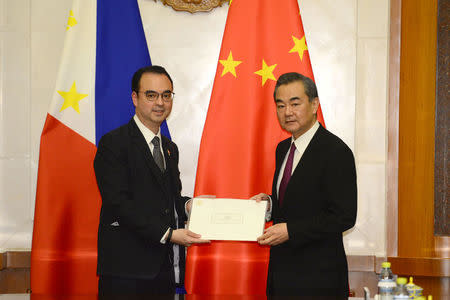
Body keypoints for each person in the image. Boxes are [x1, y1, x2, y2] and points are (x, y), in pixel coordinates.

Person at [93, 65, 209, 296]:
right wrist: (169, 234)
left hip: (162, 271)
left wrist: (189, 205)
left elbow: (169, 198)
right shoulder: (114, 143)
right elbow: (118, 203)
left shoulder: (169, 148)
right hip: (125, 272)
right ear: (135, 98)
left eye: (166, 95)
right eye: (151, 95)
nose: (160, 103)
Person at [252, 72, 357, 298]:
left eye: (295, 103)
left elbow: (344, 216)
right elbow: (295, 201)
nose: (287, 112)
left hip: (319, 279)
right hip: (282, 276)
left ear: (314, 104)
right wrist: (269, 204)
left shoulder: (336, 152)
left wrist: (291, 230)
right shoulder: (283, 149)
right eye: (280, 105)